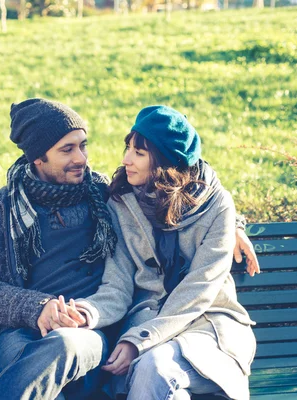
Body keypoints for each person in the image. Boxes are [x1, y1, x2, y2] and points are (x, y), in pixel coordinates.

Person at [0, 99, 259, 400]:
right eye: (67, 150)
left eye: (83, 145)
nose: (81, 158)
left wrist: (234, 225)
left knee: (66, 345)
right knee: (40, 370)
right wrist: (37, 308)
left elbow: (178, 187)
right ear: (38, 157)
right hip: (17, 332)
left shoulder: (102, 194)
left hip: (84, 331)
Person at [75, 105, 257, 399]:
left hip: (208, 326)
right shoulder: (120, 204)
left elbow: (200, 287)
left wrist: (139, 341)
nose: (126, 160)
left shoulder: (216, 205)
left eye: (139, 153)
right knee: (158, 373)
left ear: (164, 162)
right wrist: (88, 313)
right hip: (148, 323)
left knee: (155, 366)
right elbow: (117, 282)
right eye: (128, 148)